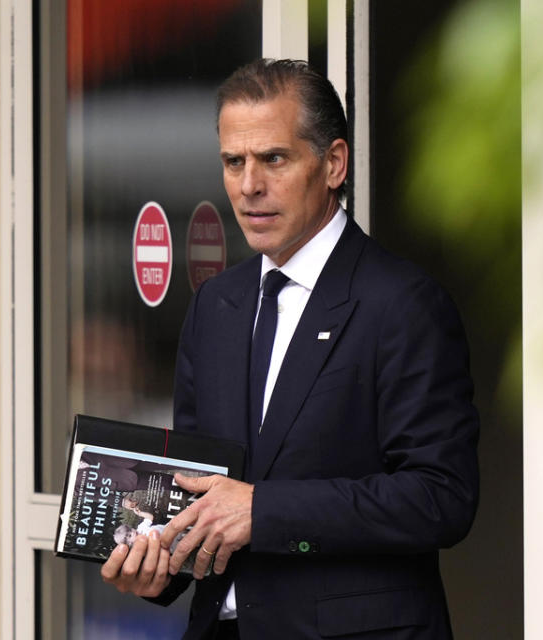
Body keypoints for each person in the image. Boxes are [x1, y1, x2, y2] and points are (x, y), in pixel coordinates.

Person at [101, 58, 479, 639]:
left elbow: (440, 497)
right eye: (234, 162)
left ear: (333, 164)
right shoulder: (215, 306)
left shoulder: (403, 304)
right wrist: (158, 570)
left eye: (273, 159)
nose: (249, 185)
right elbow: (199, 489)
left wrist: (263, 512)